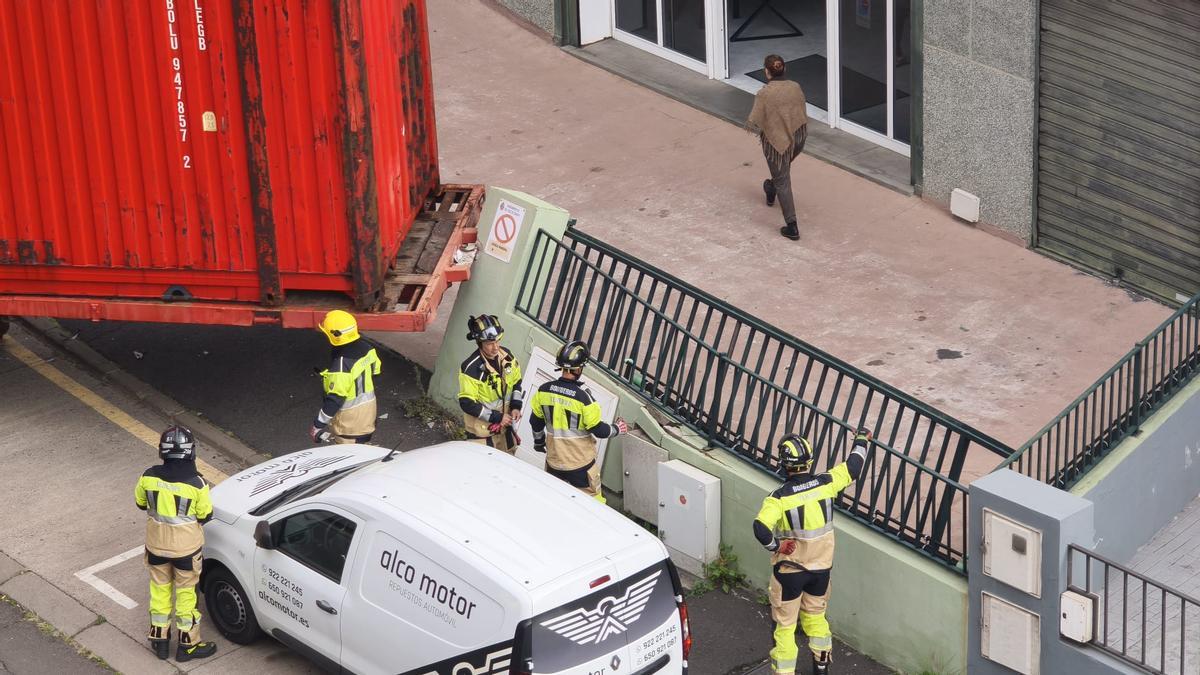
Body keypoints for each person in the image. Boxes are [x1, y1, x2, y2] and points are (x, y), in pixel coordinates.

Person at [752, 428, 874, 675]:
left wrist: (776, 546)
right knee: (816, 619)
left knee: (785, 627)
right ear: (809, 461)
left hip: (790, 573)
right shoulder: (827, 483)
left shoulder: (778, 498)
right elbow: (854, 466)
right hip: (821, 572)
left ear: (784, 464)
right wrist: (861, 438)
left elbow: (760, 528)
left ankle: (785, 671)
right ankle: (821, 667)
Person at [134, 426, 217, 662]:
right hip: (186, 550)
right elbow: (205, 514)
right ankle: (187, 647)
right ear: (190, 452)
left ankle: (160, 643)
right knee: (186, 596)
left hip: (155, 546)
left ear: (163, 451)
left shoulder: (148, 476)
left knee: (159, 592)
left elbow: (140, 503)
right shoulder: (197, 484)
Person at [528, 340, 627, 502]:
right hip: (580, 466)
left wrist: (539, 442)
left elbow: (535, 422)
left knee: (553, 500)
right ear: (579, 369)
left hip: (554, 462)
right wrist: (618, 428)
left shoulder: (543, 390)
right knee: (592, 506)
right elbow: (600, 430)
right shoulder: (584, 398)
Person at [747, 54, 809, 241]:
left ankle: (792, 226)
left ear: (767, 72)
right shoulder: (795, 87)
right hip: (798, 138)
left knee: (783, 180)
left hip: (776, 144)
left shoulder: (765, 93)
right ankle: (770, 188)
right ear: (784, 69)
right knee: (781, 175)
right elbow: (800, 111)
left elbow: (755, 120)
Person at [310, 310, 382, 444]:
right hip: (369, 410)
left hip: (349, 422)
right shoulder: (368, 348)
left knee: (350, 455)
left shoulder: (342, 366)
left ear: (334, 336)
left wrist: (318, 425)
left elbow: (335, 400)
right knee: (362, 447)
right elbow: (375, 372)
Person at [457, 314, 524, 452]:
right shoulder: (471, 368)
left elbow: (516, 382)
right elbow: (467, 403)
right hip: (483, 435)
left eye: (498, 341)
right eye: (489, 343)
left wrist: (516, 406)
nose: (495, 347)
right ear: (479, 343)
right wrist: (497, 417)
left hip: (505, 431)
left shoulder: (507, 356)